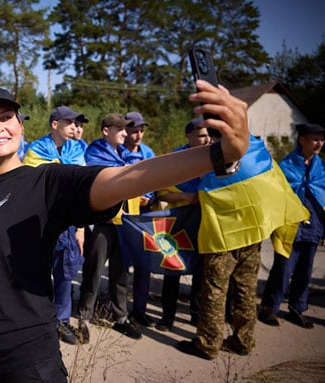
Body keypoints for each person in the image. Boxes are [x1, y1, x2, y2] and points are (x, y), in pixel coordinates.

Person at [0, 81, 251, 383]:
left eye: (5, 117)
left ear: (20, 126)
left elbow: (126, 178)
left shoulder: (46, 182)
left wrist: (219, 154)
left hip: (23, 364)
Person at [176, 128, 309, 360]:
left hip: (223, 238)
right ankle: (243, 341)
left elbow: (203, 192)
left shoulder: (215, 158)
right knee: (246, 291)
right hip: (252, 236)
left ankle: (208, 344)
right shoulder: (255, 152)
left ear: (217, 137)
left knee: (215, 292)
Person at [23, 106, 89, 345]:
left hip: (69, 223)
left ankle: (62, 320)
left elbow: (82, 191)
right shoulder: (36, 149)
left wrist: (80, 228)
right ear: (54, 125)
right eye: (69, 122)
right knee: (38, 271)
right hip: (41, 221)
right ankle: (37, 318)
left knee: (65, 274)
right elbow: (32, 186)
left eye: (76, 123)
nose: (75, 126)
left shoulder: (77, 150)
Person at [78, 113, 142, 339]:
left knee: (121, 271)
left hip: (125, 224)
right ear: (106, 130)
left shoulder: (124, 155)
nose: (126, 133)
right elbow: (99, 185)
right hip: (102, 222)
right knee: (94, 269)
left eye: (127, 129)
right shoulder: (94, 154)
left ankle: (120, 316)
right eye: (121, 129)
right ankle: (84, 315)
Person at [258, 123, 325, 329]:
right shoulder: (285, 166)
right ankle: (269, 307)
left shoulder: (321, 167)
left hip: (313, 225)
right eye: (314, 139)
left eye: (321, 139)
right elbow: (275, 197)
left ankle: (298, 308)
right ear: (302, 139)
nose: (319, 143)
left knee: (305, 271)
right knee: (283, 269)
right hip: (290, 226)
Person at [154, 117, 211, 332]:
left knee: (201, 270)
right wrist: (187, 197)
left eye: (208, 135)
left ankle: (196, 315)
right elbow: (162, 191)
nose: (206, 140)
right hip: (177, 221)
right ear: (189, 135)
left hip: (205, 221)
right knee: (173, 268)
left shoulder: (214, 159)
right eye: (201, 135)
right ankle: (167, 317)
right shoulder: (175, 159)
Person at [122, 111, 159, 329]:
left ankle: (140, 310)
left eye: (141, 131)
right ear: (125, 131)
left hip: (145, 216)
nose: (138, 135)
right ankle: (119, 310)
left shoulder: (148, 152)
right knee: (122, 265)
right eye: (134, 131)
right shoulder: (119, 153)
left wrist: (151, 196)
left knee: (144, 266)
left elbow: (157, 179)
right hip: (126, 217)